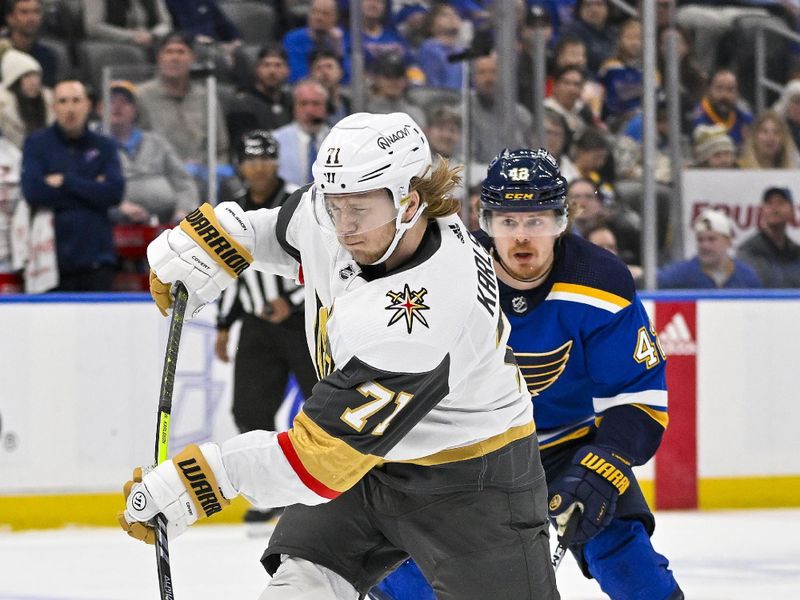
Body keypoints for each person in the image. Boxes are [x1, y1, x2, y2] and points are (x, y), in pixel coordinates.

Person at [119, 112, 559, 600]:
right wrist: (227, 236)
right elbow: (291, 230)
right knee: (300, 587)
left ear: (410, 203)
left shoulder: (425, 314)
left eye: (358, 211)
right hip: (368, 462)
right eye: (335, 205)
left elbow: (320, 459)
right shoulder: (359, 207)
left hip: (472, 482)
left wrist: (208, 479)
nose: (344, 227)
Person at [378, 148, 683, 600]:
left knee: (629, 561)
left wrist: (606, 463)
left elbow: (637, 397)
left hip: (567, 445)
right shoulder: (443, 273)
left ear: (562, 221)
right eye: (508, 221)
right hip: (470, 446)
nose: (522, 237)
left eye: (536, 220)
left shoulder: (601, 282)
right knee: (411, 570)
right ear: (484, 221)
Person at [215, 130, 317, 523]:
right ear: (241, 164)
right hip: (256, 325)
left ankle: (329, 491)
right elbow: (232, 271)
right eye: (251, 159)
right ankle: (276, 494)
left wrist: (288, 301)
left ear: (277, 161)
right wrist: (225, 325)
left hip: (304, 320)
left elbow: (323, 256)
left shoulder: (298, 202)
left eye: (266, 158)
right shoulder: (234, 211)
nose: (258, 167)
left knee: (324, 402)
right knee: (248, 409)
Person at [20, 80, 124, 291]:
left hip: (96, 259)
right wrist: (92, 187)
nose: (70, 108)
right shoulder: (37, 144)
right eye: (63, 101)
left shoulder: (104, 146)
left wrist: (66, 181)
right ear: (53, 107)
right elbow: (34, 192)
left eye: (76, 100)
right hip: (50, 262)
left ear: (87, 104)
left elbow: (113, 192)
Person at [105, 80, 198, 225]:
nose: (118, 106)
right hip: (115, 225)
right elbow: (92, 190)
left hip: (167, 222)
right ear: (100, 108)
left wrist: (183, 212)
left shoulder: (157, 142)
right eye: (112, 101)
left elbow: (183, 181)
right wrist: (118, 207)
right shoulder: (96, 146)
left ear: (135, 109)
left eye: (125, 102)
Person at [137, 31, 230, 166]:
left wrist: (213, 174)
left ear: (193, 59)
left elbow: (221, 148)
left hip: (201, 177)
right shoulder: (140, 95)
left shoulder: (206, 98)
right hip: (156, 176)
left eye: (181, 52)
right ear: (159, 58)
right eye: (169, 52)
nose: (175, 58)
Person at [658, 208, 761, 289]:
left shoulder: (746, 276)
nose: (705, 246)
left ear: (728, 241)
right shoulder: (680, 275)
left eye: (711, 239)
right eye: (700, 240)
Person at [736, 186, 800, 288]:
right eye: (769, 203)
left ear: (792, 210)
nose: (774, 209)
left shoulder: (796, 253)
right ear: (762, 210)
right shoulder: (748, 252)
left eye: (780, 203)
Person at [271, 78, 329, 188]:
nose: (309, 110)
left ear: (326, 108)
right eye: (303, 103)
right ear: (294, 108)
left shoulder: (337, 139)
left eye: (316, 104)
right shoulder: (276, 140)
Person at [0, 47, 53, 149]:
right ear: (14, 82)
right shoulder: (2, 108)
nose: (34, 82)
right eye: (27, 76)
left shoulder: (52, 102)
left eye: (36, 75)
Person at [691, 68, 752, 150]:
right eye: (719, 88)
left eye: (730, 89)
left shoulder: (743, 117)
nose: (724, 95)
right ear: (709, 90)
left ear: (737, 93)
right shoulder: (698, 116)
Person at [1, 0, 58, 87]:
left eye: (36, 11)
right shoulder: (2, 52)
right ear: (10, 18)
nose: (31, 18)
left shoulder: (47, 55)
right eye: (24, 12)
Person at [82, 0, 172, 48]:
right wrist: (132, 36)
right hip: (113, 44)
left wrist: (152, 34)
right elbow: (93, 27)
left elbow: (166, 23)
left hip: (150, 41)